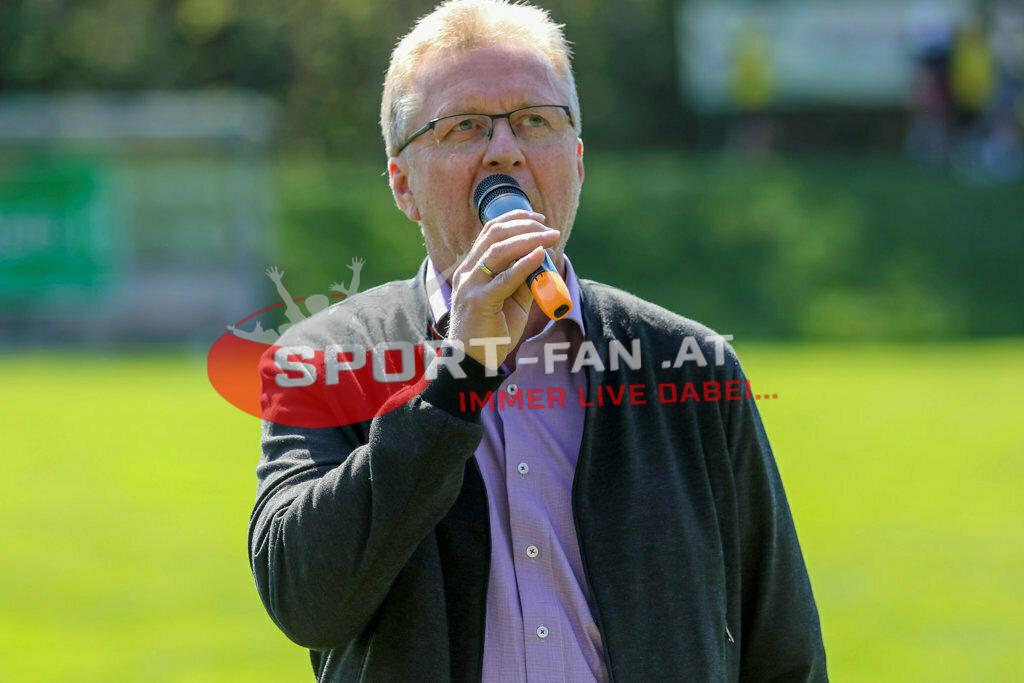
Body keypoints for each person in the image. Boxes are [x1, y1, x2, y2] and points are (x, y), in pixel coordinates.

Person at [248, 1, 827, 680]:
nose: (505, 148)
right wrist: (457, 379)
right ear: (402, 182)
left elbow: (782, 650)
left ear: (575, 160)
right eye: (464, 126)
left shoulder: (690, 363)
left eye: (534, 121)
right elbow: (306, 601)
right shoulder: (323, 360)